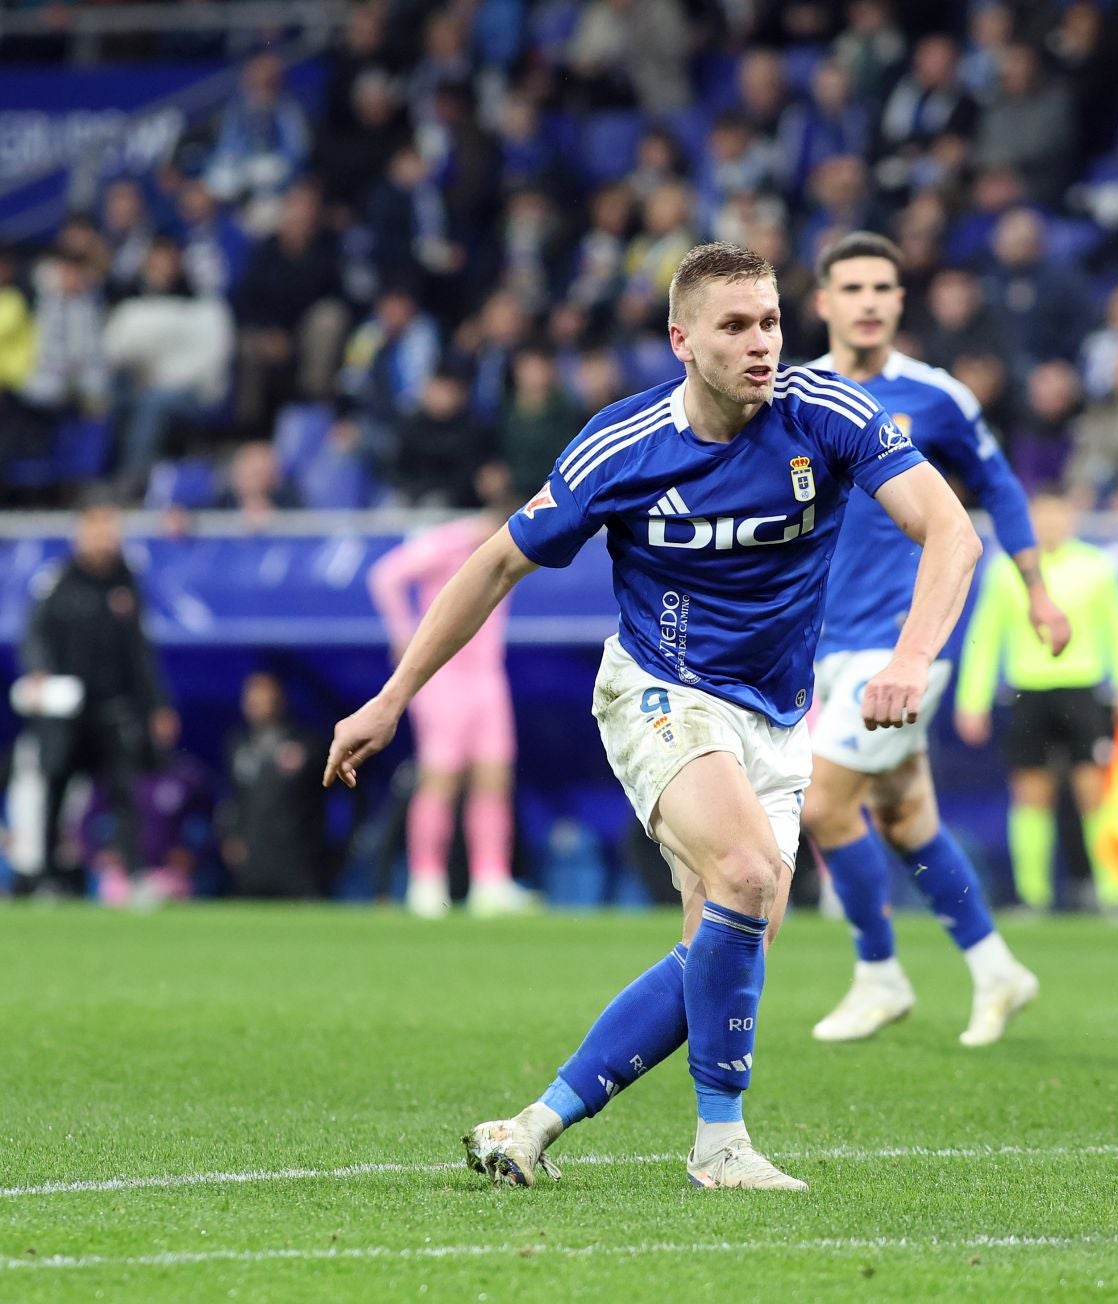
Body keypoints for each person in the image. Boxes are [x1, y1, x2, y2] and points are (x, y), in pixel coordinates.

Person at [324, 242, 981, 1193]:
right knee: (748, 875)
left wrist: (912, 657)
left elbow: (950, 530)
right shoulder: (621, 445)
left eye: (771, 323)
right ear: (682, 339)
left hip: (775, 715)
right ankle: (721, 1147)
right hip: (658, 689)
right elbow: (496, 564)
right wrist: (391, 700)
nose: (763, 344)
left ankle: (535, 1124)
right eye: (735, 326)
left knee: (726, 942)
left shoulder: (827, 414)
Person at [800, 231, 1070, 1047]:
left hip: (907, 642)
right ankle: (996, 970)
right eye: (852, 288)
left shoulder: (937, 396)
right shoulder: (794, 394)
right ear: (823, 303)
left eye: (884, 287)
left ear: (901, 301)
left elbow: (1000, 489)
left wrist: (1037, 591)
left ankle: (878, 972)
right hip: (824, 637)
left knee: (822, 803)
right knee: (905, 814)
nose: (870, 301)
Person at [954, 488, 1118, 913]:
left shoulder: (1096, 569)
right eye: (1042, 518)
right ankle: (1034, 896)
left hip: (1083, 689)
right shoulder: (1008, 572)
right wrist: (973, 699)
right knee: (1030, 794)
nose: (1051, 526)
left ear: (1072, 520)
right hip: (1028, 690)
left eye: (1059, 517)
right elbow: (985, 638)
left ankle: (1114, 895)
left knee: (1095, 791)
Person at [366, 465, 535, 919]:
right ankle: (425, 881)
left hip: (486, 677)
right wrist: (404, 635)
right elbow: (385, 575)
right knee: (439, 778)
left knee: (493, 776)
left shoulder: (515, 545)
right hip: (442, 676)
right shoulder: (453, 540)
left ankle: (490, 880)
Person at [15, 499, 177, 897]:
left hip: (113, 710)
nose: (107, 539)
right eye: (98, 530)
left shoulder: (127, 582)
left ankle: (134, 877)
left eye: (112, 530)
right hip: (67, 712)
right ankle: (47, 878)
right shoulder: (59, 580)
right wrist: (39, 672)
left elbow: (140, 653)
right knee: (54, 792)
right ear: (80, 533)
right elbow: (34, 634)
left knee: (125, 794)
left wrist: (157, 705)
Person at [221, 671, 331, 899]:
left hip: (297, 860)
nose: (256, 703)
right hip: (252, 860)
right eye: (251, 697)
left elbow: (346, 791)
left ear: (279, 699)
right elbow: (234, 798)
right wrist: (231, 835)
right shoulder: (238, 744)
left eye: (263, 696)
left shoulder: (306, 743)